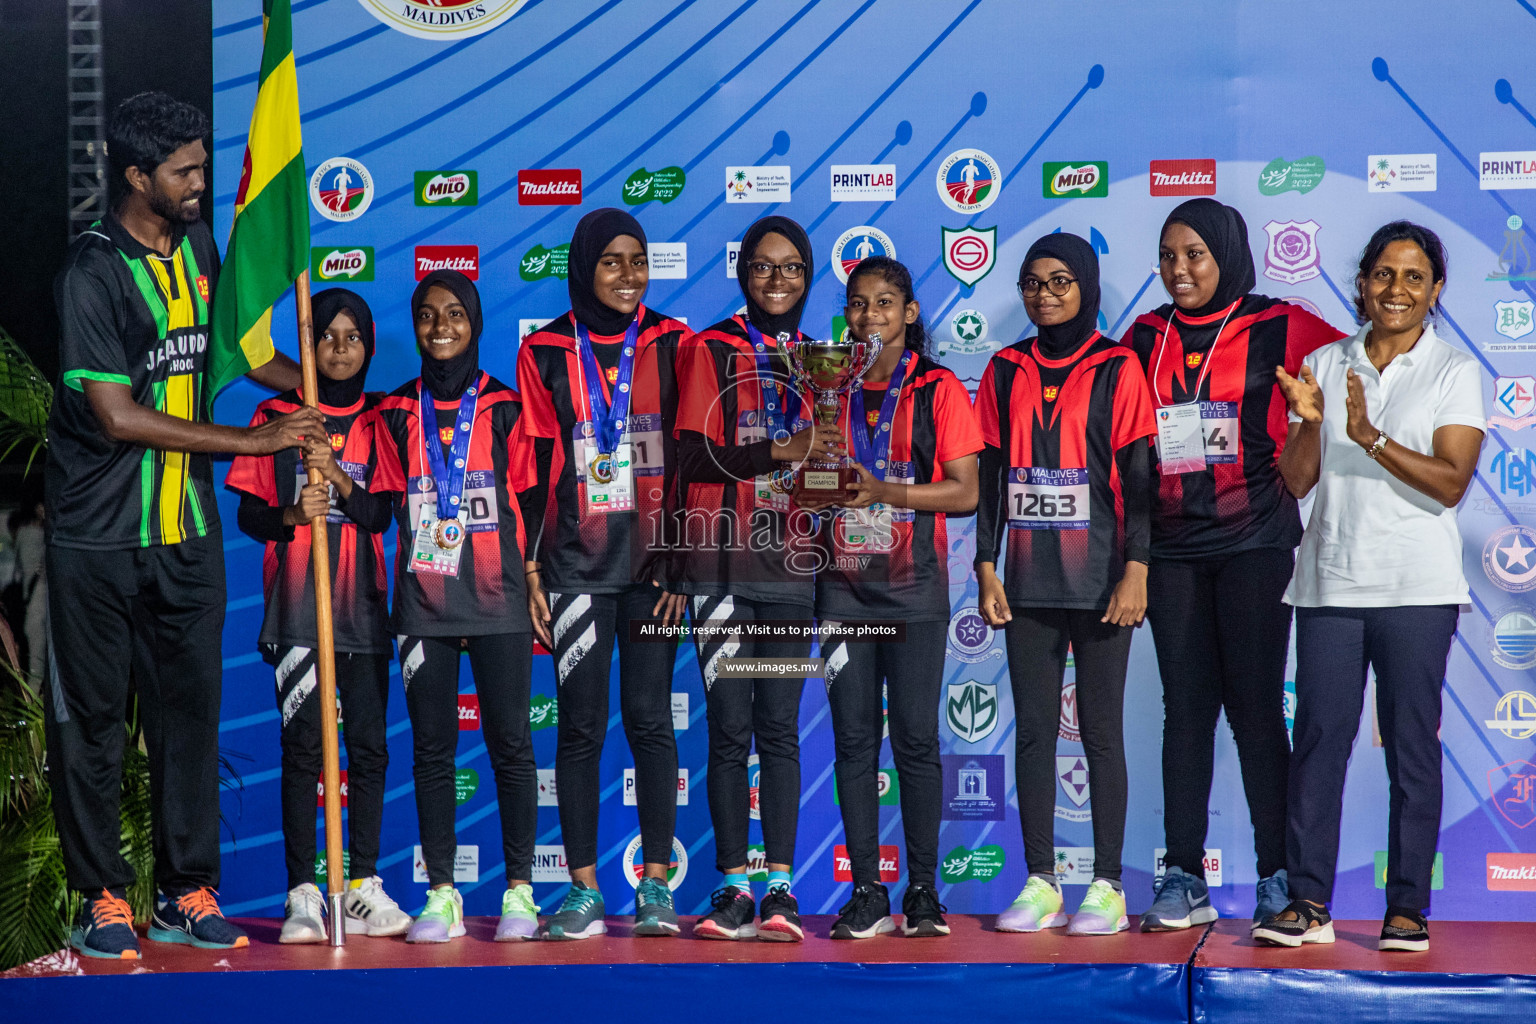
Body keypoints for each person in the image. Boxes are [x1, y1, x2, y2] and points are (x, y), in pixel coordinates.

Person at [44, 92, 318, 961]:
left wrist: (320, 397)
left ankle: (185, 889)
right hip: (97, 538)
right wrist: (255, 438)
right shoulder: (90, 272)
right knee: (92, 723)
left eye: (203, 165)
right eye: (185, 172)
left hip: (187, 536)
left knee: (190, 720)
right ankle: (100, 899)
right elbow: (118, 415)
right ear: (136, 177)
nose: (202, 183)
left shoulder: (198, 247)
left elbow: (231, 354)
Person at [1255, 222, 1483, 952]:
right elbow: (1296, 481)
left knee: (1411, 746)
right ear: (1362, 282)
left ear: (1436, 290)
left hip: (1417, 587)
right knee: (1318, 742)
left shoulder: (1453, 370)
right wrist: (1308, 423)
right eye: (1384, 274)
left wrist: (1370, 434)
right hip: (1329, 583)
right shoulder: (1324, 361)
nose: (1397, 290)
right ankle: (1307, 903)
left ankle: (1408, 911)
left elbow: (1450, 483)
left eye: (1414, 278)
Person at [1123, 198, 1343, 932]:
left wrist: (1314, 419)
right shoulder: (1145, 336)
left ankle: (1278, 882)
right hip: (1173, 551)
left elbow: (1362, 364)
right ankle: (1183, 878)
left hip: (1255, 544)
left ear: (1228, 254)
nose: (1179, 270)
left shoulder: (1282, 323)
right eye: (1168, 255)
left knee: (1254, 712)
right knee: (1184, 714)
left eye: (1195, 254)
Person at [517, 209, 689, 939]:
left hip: (654, 567)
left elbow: (694, 456)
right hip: (574, 566)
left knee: (651, 721)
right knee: (580, 728)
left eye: (638, 260)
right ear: (585, 267)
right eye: (612, 261)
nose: (627, 275)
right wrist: (529, 564)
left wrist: (684, 555)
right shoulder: (548, 349)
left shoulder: (675, 342)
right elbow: (529, 466)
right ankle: (583, 891)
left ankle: (656, 886)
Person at [976, 234, 1155, 936]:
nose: (1044, 294)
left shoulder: (1118, 365)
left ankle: (1107, 886)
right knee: (1034, 735)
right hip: (1024, 580)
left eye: (1059, 281)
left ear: (1086, 285)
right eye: (1031, 282)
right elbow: (990, 475)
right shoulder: (1005, 368)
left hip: (1103, 577)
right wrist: (986, 566)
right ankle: (1042, 881)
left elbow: (1141, 482)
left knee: (1102, 733)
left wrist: (1137, 568)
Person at [804, 256, 982, 940]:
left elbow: (965, 492)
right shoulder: (828, 387)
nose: (869, 316)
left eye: (885, 304)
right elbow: (810, 486)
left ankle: (924, 895)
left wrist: (885, 493)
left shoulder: (937, 388)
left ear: (909, 314)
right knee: (853, 742)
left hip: (913, 593)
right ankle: (868, 894)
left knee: (913, 741)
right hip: (843, 592)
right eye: (858, 304)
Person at [225, 288, 410, 943]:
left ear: (367, 347)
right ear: (310, 347)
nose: (338, 347)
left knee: (369, 748)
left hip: (362, 611)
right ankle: (303, 891)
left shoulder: (380, 418)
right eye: (326, 335)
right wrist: (290, 515)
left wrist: (337, 480)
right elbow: (249, 515)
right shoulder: (277, 414)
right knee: (303, 750)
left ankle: (360, 884)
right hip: (299, 611)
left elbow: (382, 515)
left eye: (351, 336)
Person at [674, 216, 836, 941]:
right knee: (728, 731)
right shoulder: (708, 347)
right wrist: (783, 448)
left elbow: (832, 464)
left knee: (780, 730)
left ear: (808, 278)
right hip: (717, 571)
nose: (778, 280)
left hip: (791, 570)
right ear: (744, 275)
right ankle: (732, 887)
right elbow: (693, 457)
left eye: (793, 268)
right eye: (765, 267)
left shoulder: (823, 358)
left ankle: (780, 891)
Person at [376, 270, 541, 943]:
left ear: (475, 322)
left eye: (454, 314)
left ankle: (521, 895)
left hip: (498, 598)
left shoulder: (505, 407)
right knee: (433, 751)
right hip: (422, 605)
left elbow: (531, 500)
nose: (441, 327)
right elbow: (376, 504)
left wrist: (535, 580)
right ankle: (441, 894)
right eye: (427, 315)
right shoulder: (392, 412)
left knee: (512, 746)